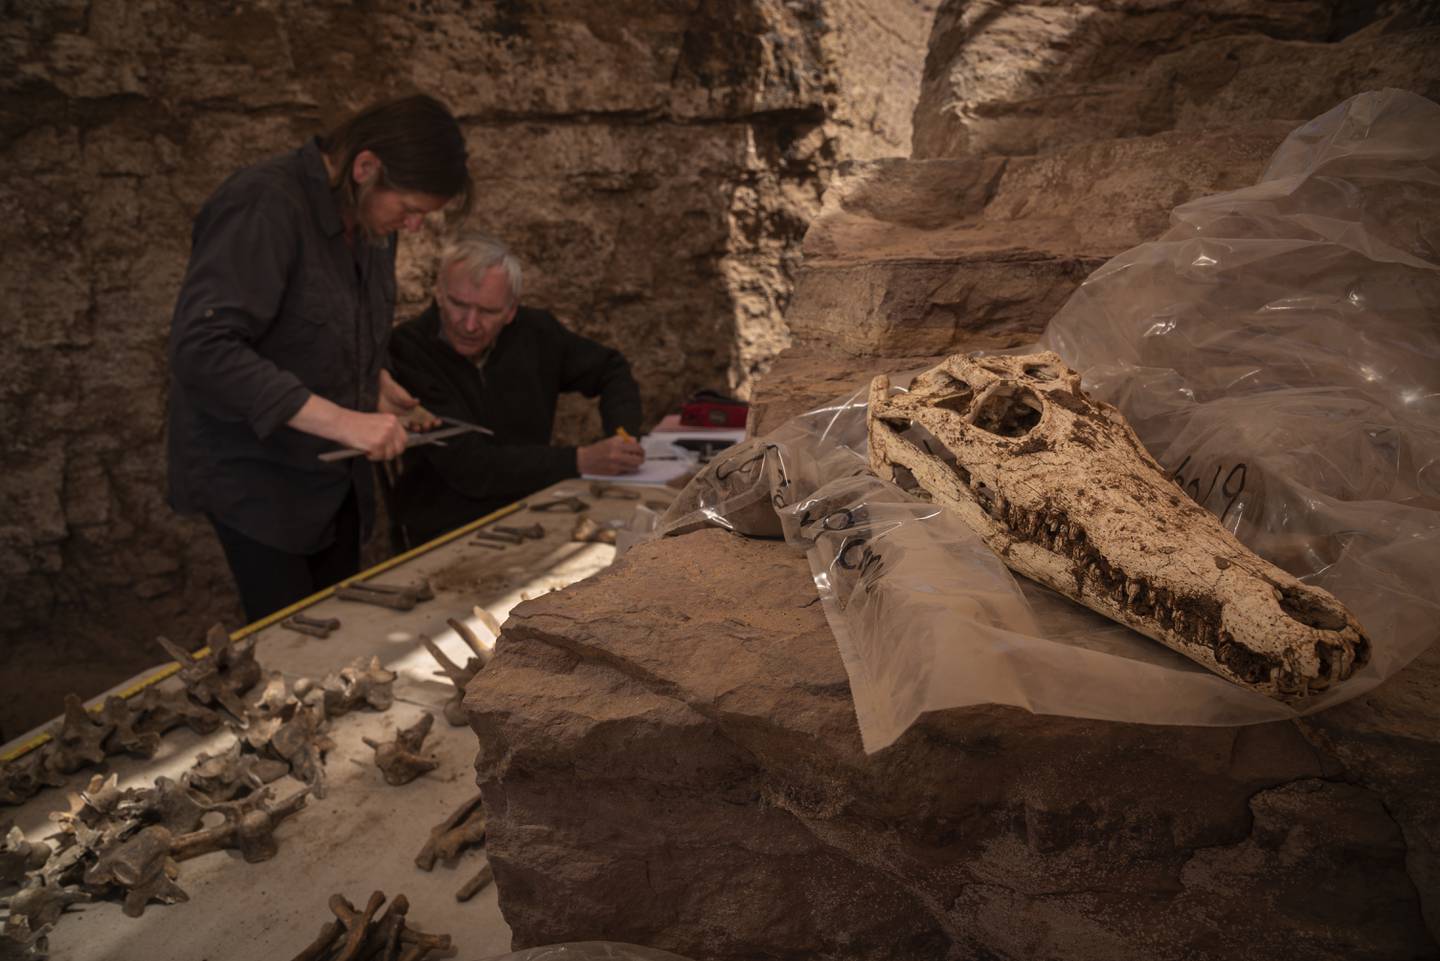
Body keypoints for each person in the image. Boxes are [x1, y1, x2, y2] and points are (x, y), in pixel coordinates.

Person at [167, 93, 471, 623]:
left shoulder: (371, 221)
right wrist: (345, 421)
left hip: (333, 482)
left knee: (339, 632)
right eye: (411, 210)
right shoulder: (264, 205)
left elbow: (314, 325)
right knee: (291, 641)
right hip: (260, 479)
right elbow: (204, 348)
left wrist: (370, 382)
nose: (414, 227)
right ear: (365, 167)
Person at [387, 232, 644, 548]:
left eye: (488, 311)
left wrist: (622, 435)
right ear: (439, 294)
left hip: (536, 511)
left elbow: (610, 368)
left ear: (511, 311)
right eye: (458, 305)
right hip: (441, 529)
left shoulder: (534, 333)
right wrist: (580, 460)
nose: (469, 324)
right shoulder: (408, 349)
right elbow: (471, 466)